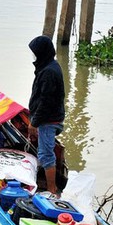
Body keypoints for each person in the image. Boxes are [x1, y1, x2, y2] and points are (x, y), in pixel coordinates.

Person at [27, 35, 65, 197]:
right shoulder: (50, 66)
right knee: (44, 151)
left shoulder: (48, 72)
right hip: (48, 118)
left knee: (45, 154)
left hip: (48, 120)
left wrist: (34, 122)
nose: (34, 57)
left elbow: (46, 101)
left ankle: (51, 191)